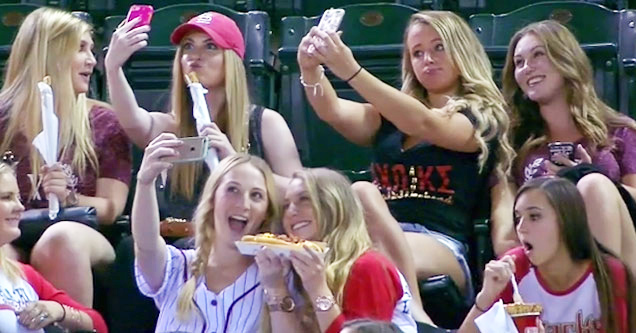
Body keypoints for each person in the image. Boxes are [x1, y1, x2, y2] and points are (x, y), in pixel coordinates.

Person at [296, 10, 517, 321]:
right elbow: (331, 110)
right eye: (417, 52)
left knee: (360, 241)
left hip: (442, 245)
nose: (428, 58)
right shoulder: (387, 119)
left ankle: (414, 316)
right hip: (373, 235)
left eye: (439, 47)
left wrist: (350, 70)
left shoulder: (481, 117)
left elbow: (424, 122)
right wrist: (310, 70)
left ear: (462, 50)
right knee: (358, 202)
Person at [104, 11, 302, 330]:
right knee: (130, 251)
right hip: (179, 253)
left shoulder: (264, 122)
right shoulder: (171, 125)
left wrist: (236, 161)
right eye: (187, 47)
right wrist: (113, 67)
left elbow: (299, 195)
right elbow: (133, 122)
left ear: (233, 60)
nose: (194, 56)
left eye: (210, 47)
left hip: (244, 252)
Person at [0, 7, 131, 306]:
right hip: (11, 231)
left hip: (85, 236)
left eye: (92, 50)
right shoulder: (2, 121)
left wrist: (71, 198)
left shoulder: (105, 122)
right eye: (81, 49)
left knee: (59, 241)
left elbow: (111, 209)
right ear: (51, 54)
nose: (91, 61)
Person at [501, 20, 636, 275]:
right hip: (545, 254)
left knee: (592, 185)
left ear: (566, 60)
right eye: (519, 63)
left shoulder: (620, 132)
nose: (527, 68)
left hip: (617, 250)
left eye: (538, 54)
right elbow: (506, 228)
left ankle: (606, 305)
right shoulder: (514, 143)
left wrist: (589, 178)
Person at [132, 144, 279, 332]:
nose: (244, 204)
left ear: (266, 212)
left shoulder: (275, 279)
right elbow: (146, 244)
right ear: (212, 199)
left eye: (256, 195)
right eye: (232, 190)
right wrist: (145, 182)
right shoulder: (178, 267)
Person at [458, 177, 635, 332]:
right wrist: (485, 297)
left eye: (534, 217)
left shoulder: (608, 274)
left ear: (566, 222)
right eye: (518, 218)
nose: (521, 228)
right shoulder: (514, 269)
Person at [256, 168, 417, 333]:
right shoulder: (292, 266)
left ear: (334, 204)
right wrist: (276, 288)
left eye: (304, 199)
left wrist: (318, 289)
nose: (291, 212)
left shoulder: (368, 266)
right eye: (286, 205)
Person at [0, 152, 108, 333]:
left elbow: (98, 325)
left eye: (18, 197)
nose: (20, 207)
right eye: (6, 197)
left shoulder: (22, 274)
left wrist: (60, 312)